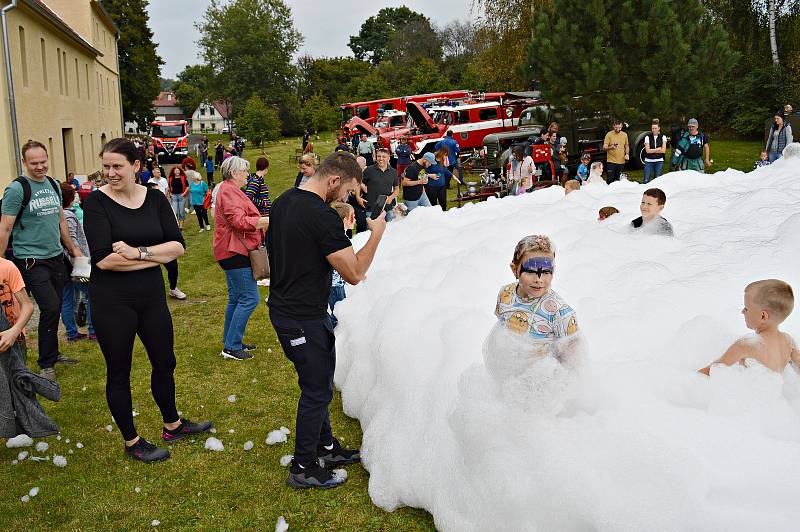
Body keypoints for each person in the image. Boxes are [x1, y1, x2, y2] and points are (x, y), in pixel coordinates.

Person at [83, 138, 212, 463]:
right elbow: (103, 260)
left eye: (117, 166)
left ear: (136, 166)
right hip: (113, 302)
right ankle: (132, 441)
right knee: (119, 371)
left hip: (151, 298)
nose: (110, 173)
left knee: (165, 362)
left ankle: (173, 424)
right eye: (107, 166)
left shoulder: (154, 198)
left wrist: (138, 252)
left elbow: (179, 246)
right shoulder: (96, 204)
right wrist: (156, 257)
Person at [267, 152, 387, 489]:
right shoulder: (322, 216)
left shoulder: (284, 200)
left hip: (291, 310)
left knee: (316, 383)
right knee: (316, 391)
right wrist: (376, 233)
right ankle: (303, 467)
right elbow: (354, 272)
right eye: (348, 191)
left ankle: (327, 447)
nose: (347, 198)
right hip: (300, 316)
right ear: (334, 180)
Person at [0, 140, 82, 381]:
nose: (40, 167)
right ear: (24, 163)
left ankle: (53, 354)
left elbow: (61, 221)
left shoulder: (53, 184)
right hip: (30, 259)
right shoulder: (17, 189)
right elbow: (5, 227)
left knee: (55, 304)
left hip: (56, 256)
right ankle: (46, 363)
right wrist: (1, 260)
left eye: (43, 161)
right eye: (34, 163)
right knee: (50, 305)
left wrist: (73, 247)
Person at [214, 156, 269, 361]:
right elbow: (238, 221)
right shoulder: (229, 191)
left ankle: (231, 341)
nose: (248, 174)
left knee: (237, 298)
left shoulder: (230, 190)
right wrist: (266, 221)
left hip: (232, 250)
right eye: (245, 171)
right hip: (235, 251)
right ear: (235, 173)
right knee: (249, 298)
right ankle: (231, 346)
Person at [699, 280, 799, 375]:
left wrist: (686, 377)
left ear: (763, 316)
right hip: (774, 392)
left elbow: (711, 371)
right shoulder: (788, 341)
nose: (742, 311)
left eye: (746, 308)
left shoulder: (745, 345)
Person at [495, 235, 579, 345]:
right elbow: (500, 329)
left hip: (543, 361)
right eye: (530, 271)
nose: (538, 280)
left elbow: (572, 355)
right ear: (514, 269)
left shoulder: (560, 313)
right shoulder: (506, 294)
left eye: (545, 272)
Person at [59, 182, 95, 342]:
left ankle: (72, 333)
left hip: (64, 264)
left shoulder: (58, 215)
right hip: (76, 262)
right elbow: (72, 240)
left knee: (68, 298)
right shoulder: (67, 216)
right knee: (90, 295)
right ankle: (93, 330)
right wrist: (82, 264)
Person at [328, 201, 355, 327]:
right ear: (344, 220)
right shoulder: (339, 239)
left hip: (338, 283)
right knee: (338, 315)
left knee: (341, 311)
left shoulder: (339, 235)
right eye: (352, 216)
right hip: (334, 285)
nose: (354, 219)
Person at [360, 148, 399, 221]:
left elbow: (397, 189)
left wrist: (391, 198)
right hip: (371, 207)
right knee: (372, 230)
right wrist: (363, 188)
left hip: (387, 207)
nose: (381, 159)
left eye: (383, 157)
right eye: (379, 156)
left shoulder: (393, 172)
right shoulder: (369, 170)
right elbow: (359, 182)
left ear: (388, 158)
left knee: (390, 229)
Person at [643, 119, 668, 183]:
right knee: (646, 180)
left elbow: (663, 151)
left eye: (655, 128)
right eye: (652, 128)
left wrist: (652, 150)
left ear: (659, 128)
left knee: (657, 180)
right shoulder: (647, 137)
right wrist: (657, 149)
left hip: (659, 161)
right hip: (648, 161)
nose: (654, 130)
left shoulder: (663, 137)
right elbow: (647, 151)